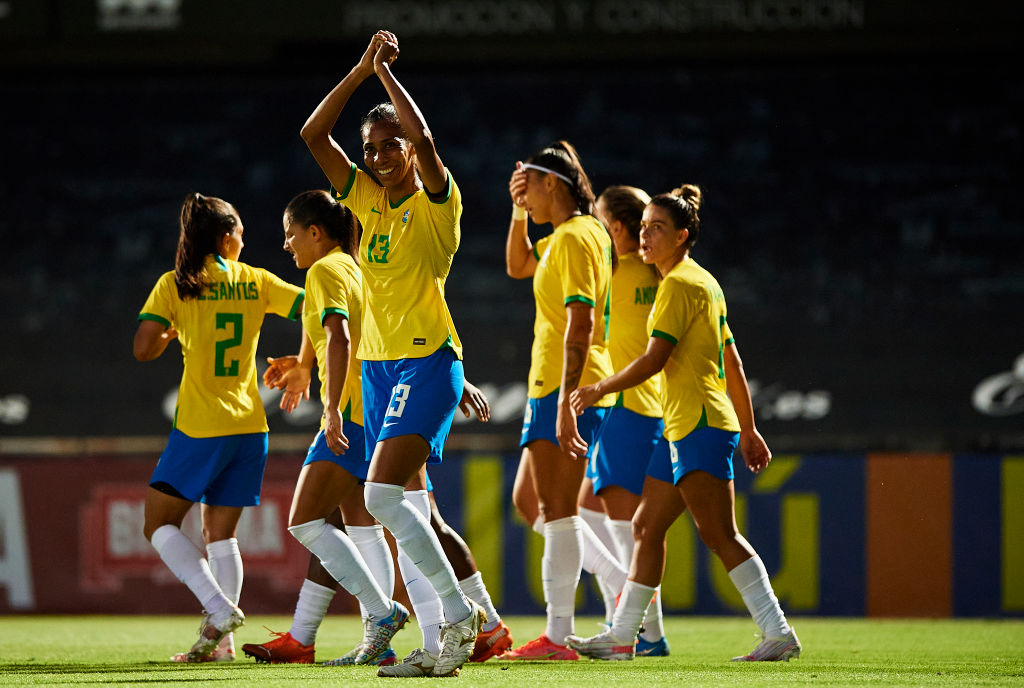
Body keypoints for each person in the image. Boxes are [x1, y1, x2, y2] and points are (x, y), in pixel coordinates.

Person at [299, 29, 483, 678]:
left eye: (387, 146)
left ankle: (462, 619)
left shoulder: (438, 204)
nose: (377, 156)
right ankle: (440, 644)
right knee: (403, 506)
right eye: (370, 148)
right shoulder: (366, 201)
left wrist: (384, 78)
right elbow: (313, 136)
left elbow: (428, 143)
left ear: (408, 148)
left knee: (380, 498)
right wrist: (355, 70)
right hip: (376, 371)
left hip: (426, 361)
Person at [565, 185, 801, 662]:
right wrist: (750, 428)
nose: (646, 235)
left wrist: (598, 389)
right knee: (646, 528)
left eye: (658, 229)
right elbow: (731, 360)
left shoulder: (678, 285)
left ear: (683, 236)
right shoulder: (704, 282)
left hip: (699, 423)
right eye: (645, 226)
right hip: (685, 425)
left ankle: (778, 632)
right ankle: (622, 638)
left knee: (719, 534)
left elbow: (655, 358)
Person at [133, 192, 304, 662]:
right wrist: (302, 362)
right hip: (251, 425)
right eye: (242, 235)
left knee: (158, 522)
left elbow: (143, 349)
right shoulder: (257, 281)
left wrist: (170, 332)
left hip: (201, 425)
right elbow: (318, 308)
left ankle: (217, 609)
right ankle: (220, 647)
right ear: (226, 239)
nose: (245, 243)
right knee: (221, 535)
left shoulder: (176, 284)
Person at [243, 189, 410, 666]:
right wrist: (302, 363)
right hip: (375, 406)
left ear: (315, 233)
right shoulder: (355, 268)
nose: (286, 244)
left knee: (305, 520)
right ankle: (380, 644)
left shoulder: (323, 270)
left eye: (290, 234)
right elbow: (326, 325)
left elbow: (338, 332)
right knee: (362, 524)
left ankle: (382, 613)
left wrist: (332, 406)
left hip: (351, 410)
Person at [501, 142, 621, 661]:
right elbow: (517, 264)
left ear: (553, 183)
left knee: (557, 510)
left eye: (527, 187)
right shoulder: (573, 235)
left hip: (563, 386)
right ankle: (621, 581)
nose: (523, 197)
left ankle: (557, 635)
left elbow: (581, 319)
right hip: (549, 384)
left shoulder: (573, 238)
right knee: (531, 503)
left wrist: (567, 399)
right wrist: (515, 212)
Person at [585, 185, 670, 655]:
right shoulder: (658, 274)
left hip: (628, 406)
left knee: (622, 524)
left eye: (599, 218)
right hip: (641, 406)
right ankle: (628, 620)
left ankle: (645, 632)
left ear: (614, 227)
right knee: (584, 511)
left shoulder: (615, 270)